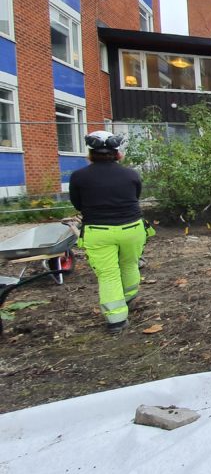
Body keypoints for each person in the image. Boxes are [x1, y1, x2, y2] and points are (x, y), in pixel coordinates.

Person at [69, 131, 148, 334]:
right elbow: (135, 196)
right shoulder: (131, 174)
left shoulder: (79, 177)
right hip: (132, 229)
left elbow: (78, 203)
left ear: (90, 153)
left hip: (99, 231)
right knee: (130, 264)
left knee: (108, 275)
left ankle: (116, 321)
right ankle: (129, 299)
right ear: (117, 153)